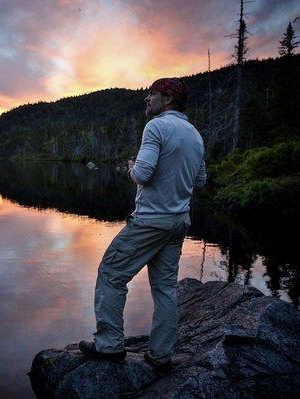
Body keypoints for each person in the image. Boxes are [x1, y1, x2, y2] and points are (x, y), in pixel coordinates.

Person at [78, 77, 207, 368]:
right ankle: (161, 355)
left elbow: (143, 174)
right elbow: (200, 180)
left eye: (152, 94)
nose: (146, 99)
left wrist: (131, 168)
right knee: (165, 288)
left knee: (111, 272)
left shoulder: (156, 126)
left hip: (150, 221)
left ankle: (109, 344)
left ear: (169, 99)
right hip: (179, 222)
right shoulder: (195, 135)